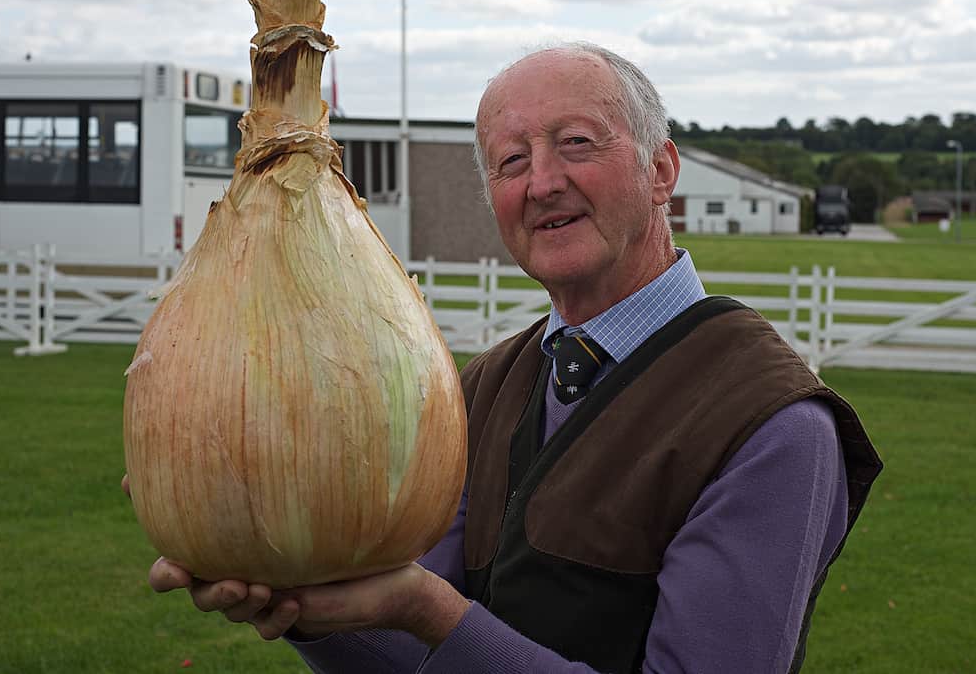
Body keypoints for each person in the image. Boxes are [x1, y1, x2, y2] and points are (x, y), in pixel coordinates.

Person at [143, 42, 883, 673]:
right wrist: (302, 608)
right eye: (511, 161)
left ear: (662, 171)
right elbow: (421, 656)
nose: (542, 183)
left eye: (577, 144)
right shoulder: (487, 384)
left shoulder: (771, 425)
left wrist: (430, 610)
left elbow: (436, 623)